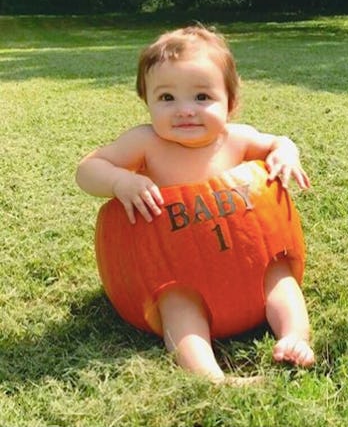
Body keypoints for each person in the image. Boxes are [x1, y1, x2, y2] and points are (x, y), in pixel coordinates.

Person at [76, 25, 315, 383]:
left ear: (230, 103)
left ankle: (294, 336)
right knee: (177, 306)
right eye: (167, 98)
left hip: (249, 261)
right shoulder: (146, 143)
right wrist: (120, 180)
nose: (185, 110)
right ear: (148, 103)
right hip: (177, 271)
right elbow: (87, 169)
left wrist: (285, 153)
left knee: (279, 279)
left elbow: (279, 141)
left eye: (202, 97)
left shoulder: (236, 139)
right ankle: (210, 376)